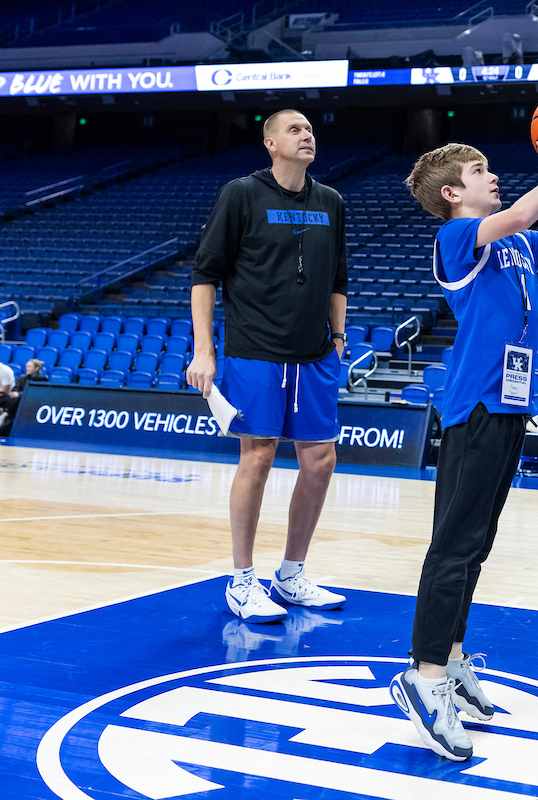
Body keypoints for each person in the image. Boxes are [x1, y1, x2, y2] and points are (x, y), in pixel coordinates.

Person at [393, 128, 538, 762]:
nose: (493, 175)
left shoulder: (517, 243)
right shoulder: (456, 237)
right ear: (451, 193)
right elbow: (519, 212)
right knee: (453, 545)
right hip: (475, 408)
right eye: (479, 170)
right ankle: (424, 677)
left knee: (476, 545)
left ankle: (451, 656)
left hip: (511, 405)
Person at [187, 108, 349, 625]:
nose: (307, 135)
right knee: (257, 457)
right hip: (255, 350)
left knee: (320, 461)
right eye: (294, 130)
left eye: (310, 129)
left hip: (315, 355)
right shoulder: (241, 194)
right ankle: (242, 580)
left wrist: (339, 337)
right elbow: (205, 275)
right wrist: (204, 350)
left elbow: (338, 279)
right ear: (270, 143)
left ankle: (291, 575)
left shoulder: (331, 201)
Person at [0, 358, 47, 433]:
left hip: (33, 401)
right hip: (18, 402)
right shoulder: (22, 378)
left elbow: (40, 393)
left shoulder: (43, 380)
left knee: (18, 398)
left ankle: (5, 414)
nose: (27, 368)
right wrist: (15, 393)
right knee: (14, 399)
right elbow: (15, 389)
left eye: (29, 367)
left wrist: (20, 394)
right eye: (26, 366)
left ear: (36, 368)